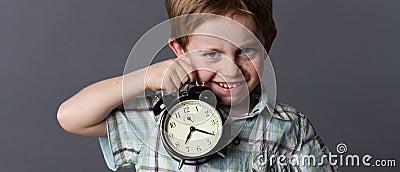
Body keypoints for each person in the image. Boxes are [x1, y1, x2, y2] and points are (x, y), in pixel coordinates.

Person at [57, 0, 338, 171]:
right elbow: (71, 117)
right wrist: (144, 77)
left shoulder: (289, 127)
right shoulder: (152, 118)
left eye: (246, 51)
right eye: (211, 54)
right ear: (180, 49)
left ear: (268, 42)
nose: (230, 69)